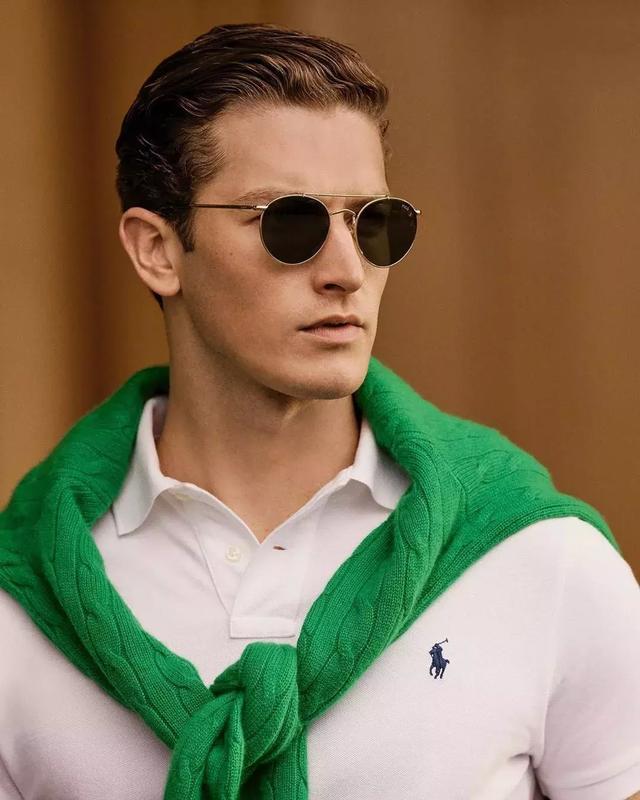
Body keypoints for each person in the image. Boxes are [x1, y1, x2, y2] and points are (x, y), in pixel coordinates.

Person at [0, 21, 638, 800]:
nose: (346, 270)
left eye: (374, 223)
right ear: (158, 250)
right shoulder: (18, 602)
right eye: (290, 221)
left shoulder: (540, 559)